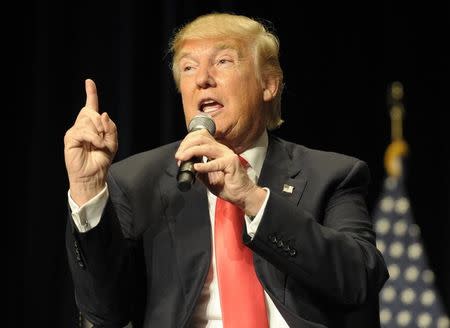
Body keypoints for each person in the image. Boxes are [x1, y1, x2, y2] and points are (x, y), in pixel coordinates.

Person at [64, 12, 389, 328]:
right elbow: (105, 311)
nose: (202, 79)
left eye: (223, 62)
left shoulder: (330, 175)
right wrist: (88, 189)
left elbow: (360, 280)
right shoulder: (138, 181)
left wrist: (253, 199)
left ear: (269, 84)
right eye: (189, 67)